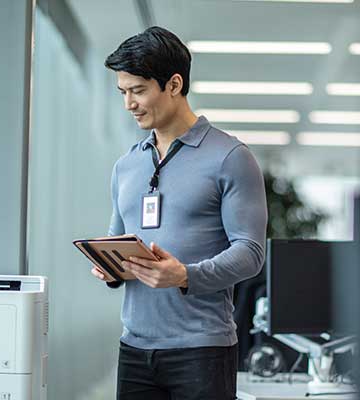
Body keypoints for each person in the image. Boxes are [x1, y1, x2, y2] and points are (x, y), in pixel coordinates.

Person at [90, 26, 268, 400]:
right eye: (122, 92)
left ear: (174, 84)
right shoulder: (126, 165)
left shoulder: (231, 158)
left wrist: (185, 275)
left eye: (138, 91)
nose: (128, 104)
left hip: (202, 350)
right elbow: (119, 240)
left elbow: (251, 252)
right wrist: (109, 266)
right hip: (135, 349)